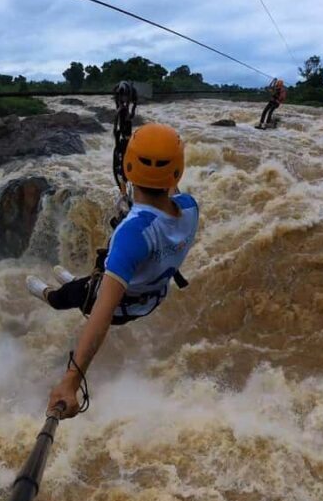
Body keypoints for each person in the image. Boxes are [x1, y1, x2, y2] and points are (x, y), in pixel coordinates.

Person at [25, 123, 200, 419]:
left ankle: (48, 293)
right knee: (92, 280)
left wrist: (71, 382)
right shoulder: (191, 207)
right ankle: (74, 282)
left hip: (120, 306)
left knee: (68, 297)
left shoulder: (134, 232)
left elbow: (101, 317)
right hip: (153, 295)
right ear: (178, 173)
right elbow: (170, 192)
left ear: (128, 167)